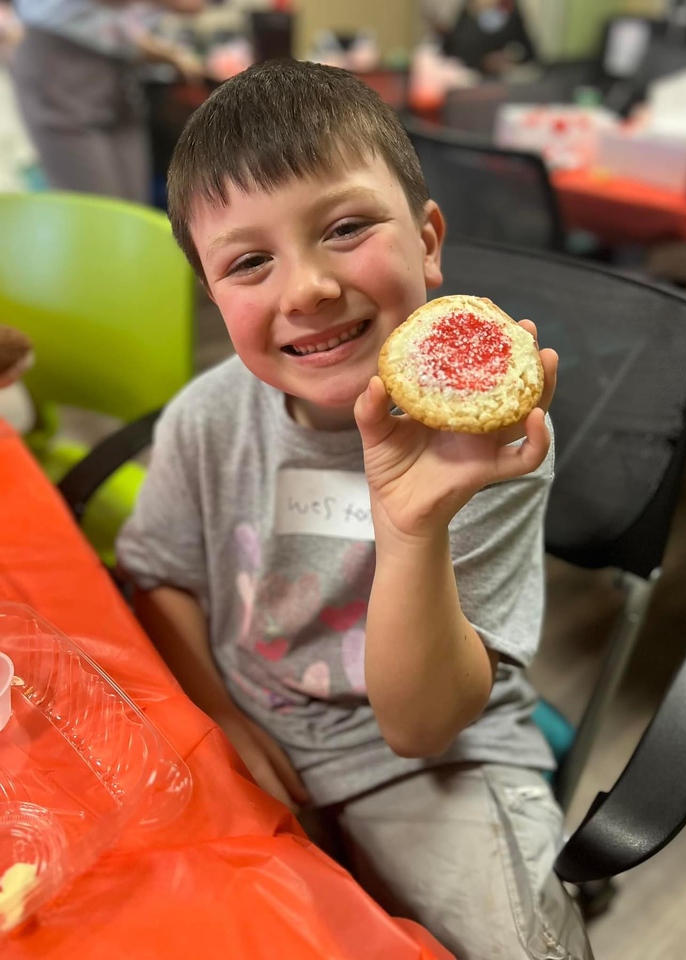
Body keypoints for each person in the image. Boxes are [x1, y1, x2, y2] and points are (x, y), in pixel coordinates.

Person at [116, 59, 594, 960]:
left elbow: (418, 727)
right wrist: (221, 717)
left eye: (344, 228)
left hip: (425, 758)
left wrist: (412, 526)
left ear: (428, 239)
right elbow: (161, 575)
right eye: (250, 261)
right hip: (248, 718)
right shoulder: (207, 420)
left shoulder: (488, 446)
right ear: (212, 296)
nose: (306, 289)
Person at [10, 0, 205, 204]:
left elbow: (112, 28)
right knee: (99, 209)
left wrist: (169, 55)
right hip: (61, 66)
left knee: (133, 207)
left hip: (115, 73)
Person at [442, 0, 537, 77]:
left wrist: (511, 56)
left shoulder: (510, 9)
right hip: (467, 81)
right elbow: (452, 51)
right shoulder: (465, 10)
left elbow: (529, 52)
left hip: (501, 82)